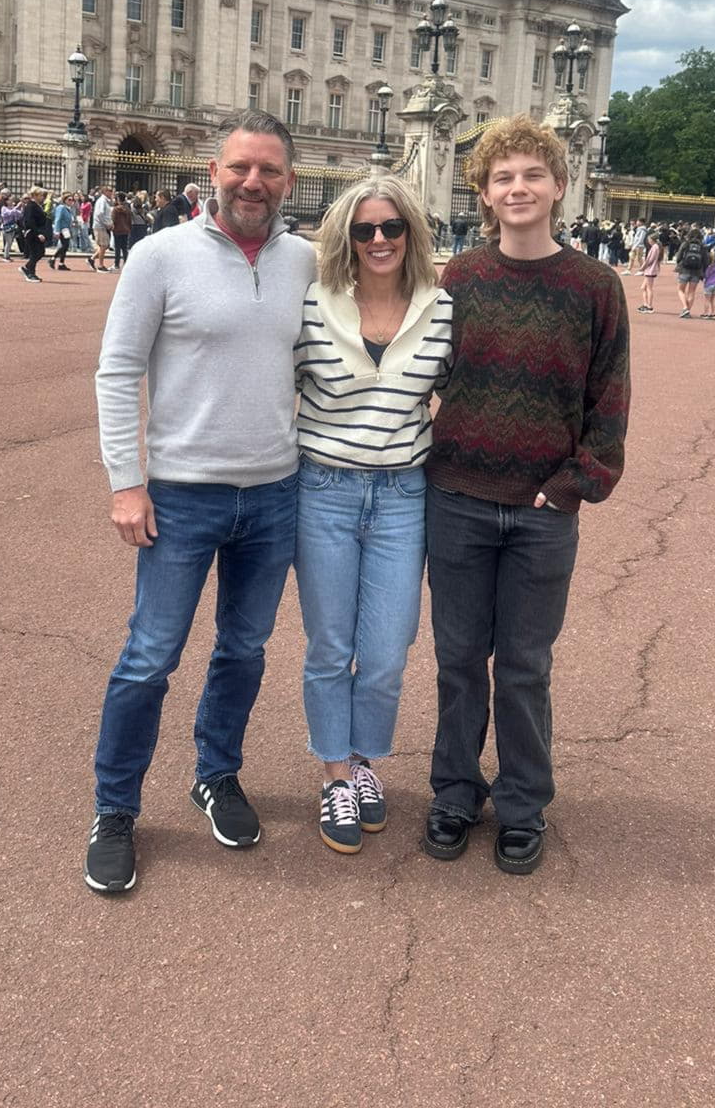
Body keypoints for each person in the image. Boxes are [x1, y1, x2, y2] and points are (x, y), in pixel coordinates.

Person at [86, 110, 317, 895]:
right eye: (240, 168)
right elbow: (117, 369)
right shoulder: (160, 255)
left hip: (275, 491)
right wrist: (126, 481)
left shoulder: (306, 262)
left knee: (244, 651)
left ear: (289, 181)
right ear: (213, 172)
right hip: (182, 494)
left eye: (269, 171)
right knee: (150, 656)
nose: (254, 182)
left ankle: (216, 774)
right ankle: (115, 809)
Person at [421, 115, 630, 876]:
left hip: (543, 507)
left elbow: (610, 394)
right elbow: (429, 372)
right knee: (456, 658)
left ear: (559, 185)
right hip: (457, 497)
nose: (518, 188)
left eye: (532, 174)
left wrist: (578, 483)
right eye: (503, 177)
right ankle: (454, 791)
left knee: (524, 665)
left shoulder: (595, 286)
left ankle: (521, 802)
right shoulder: (461, 278)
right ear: (484, 193)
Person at [293, 176, 453, 855]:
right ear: (347, 238)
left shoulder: (440, 309)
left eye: (392, 227)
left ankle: (364, 761)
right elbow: (276, 386)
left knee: (387, 652)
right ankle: (337, 774)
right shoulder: (315, 304)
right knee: (331, 646)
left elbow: (462, 392)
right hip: (323, 489)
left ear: (411, 232)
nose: (379, 240)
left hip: (402, 495)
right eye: (365, 230)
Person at [17, 189, 50, 283]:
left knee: (40, 252)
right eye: (41, 195)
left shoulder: (37, 205)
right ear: (35, 195)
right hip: (32, 232)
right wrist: (38, 233)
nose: (43, 197)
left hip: (37, 232)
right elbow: (29, 221)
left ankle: (29, 269)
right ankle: (29, 271)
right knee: (35, 252)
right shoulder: (31, 206)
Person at [674, 225, 708, 318]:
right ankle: (687, 310)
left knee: (681, 290)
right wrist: (704, 271)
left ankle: (685, 308)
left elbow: (679, 256)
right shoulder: (702, 246)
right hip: (696, 271)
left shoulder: (686, 244)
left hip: (684, 269)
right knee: (692, 292)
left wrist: (679, 264)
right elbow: (706, 260)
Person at [637, 227, 662, 312]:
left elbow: (650, 260)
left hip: (650, 270)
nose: (648, 241)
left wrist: (643, 267)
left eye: (649, 240)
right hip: (650, 269)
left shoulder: (655, 247)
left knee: (649, 288)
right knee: (643, 287)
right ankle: (645, 304)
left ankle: (649, 306)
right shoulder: (655, 247)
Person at [50, 193, 74, 269]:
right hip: (62, 229)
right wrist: (56, 231)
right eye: (69, 200)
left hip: (66, 230)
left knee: (65, 246)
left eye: (72, 200)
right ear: (65, 200)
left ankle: (61, 263)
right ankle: (53, 258)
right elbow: (58, 219)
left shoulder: (68, 209)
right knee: (64, 245)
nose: (71, 201)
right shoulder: (61, 207)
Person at [109, 193, 132, 269]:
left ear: (118, 199)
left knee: (117, 248)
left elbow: (113, 219)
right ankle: (126, 262)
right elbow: (129, 220)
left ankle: (116, 264)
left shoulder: (115, 209)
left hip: (117, 230)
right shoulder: (128, 209)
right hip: (125, 230)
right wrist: (129, 228)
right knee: (124, 248)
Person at [698, 252, 715, 318]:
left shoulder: (709, 267)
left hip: (709, 285)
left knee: (707, 300)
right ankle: (713, 313)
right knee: (712, 300)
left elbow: (706, 275)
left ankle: (706, 313)